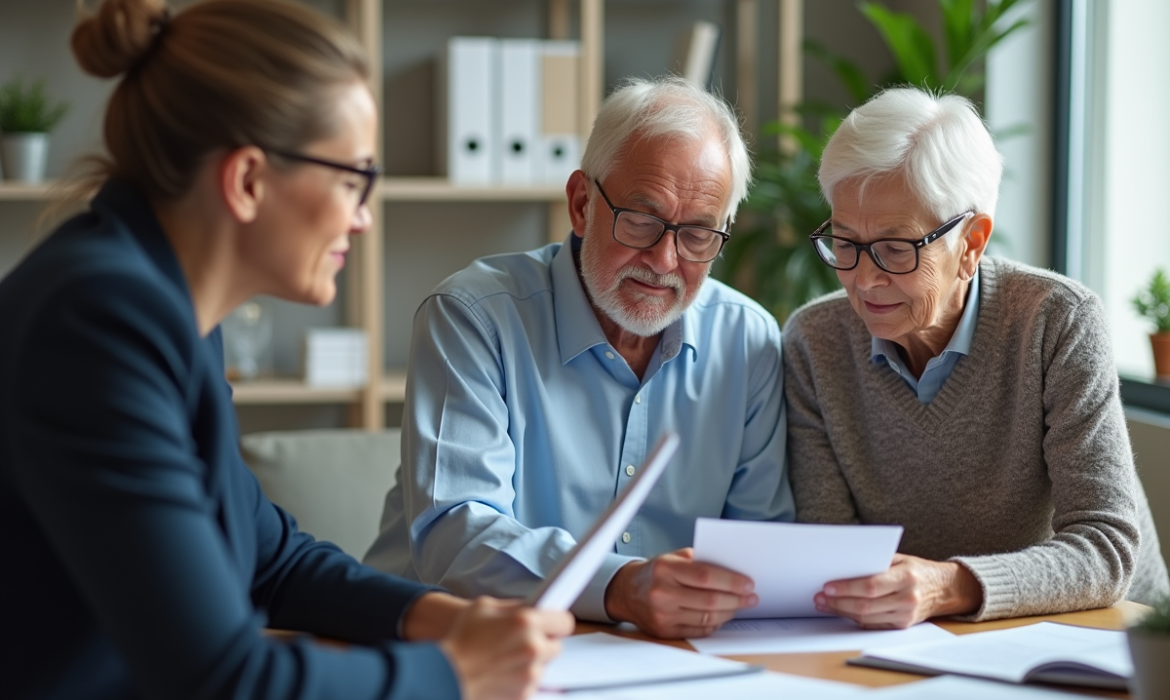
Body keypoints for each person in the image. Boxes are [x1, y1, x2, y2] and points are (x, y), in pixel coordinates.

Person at [0, 1, 572, 699]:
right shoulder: (101, 321)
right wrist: (459, 674)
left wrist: (436, 617)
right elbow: (224, 680)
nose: (363, 219)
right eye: (354, 178)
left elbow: (267, 557)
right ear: (247, 180)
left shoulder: (164, 309)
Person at [364, 77, 794, 640]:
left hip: (658, 660)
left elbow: (760, 545)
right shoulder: (474, 316)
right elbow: (455, 534)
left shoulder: (748, 339)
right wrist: (621, 589)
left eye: (696, 235)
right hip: (452, 651)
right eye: (641, 220)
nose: (664, 260)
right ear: (582, 204)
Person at [783, 86, 1170, 629]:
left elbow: (1106, 548)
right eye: (844, 243)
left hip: (1109, 636)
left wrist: (948, 585)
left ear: (971, 243)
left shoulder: (1056, 320)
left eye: (896, 249)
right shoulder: (814, 341)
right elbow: (831, 550)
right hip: (918, 639)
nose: (863, 279)